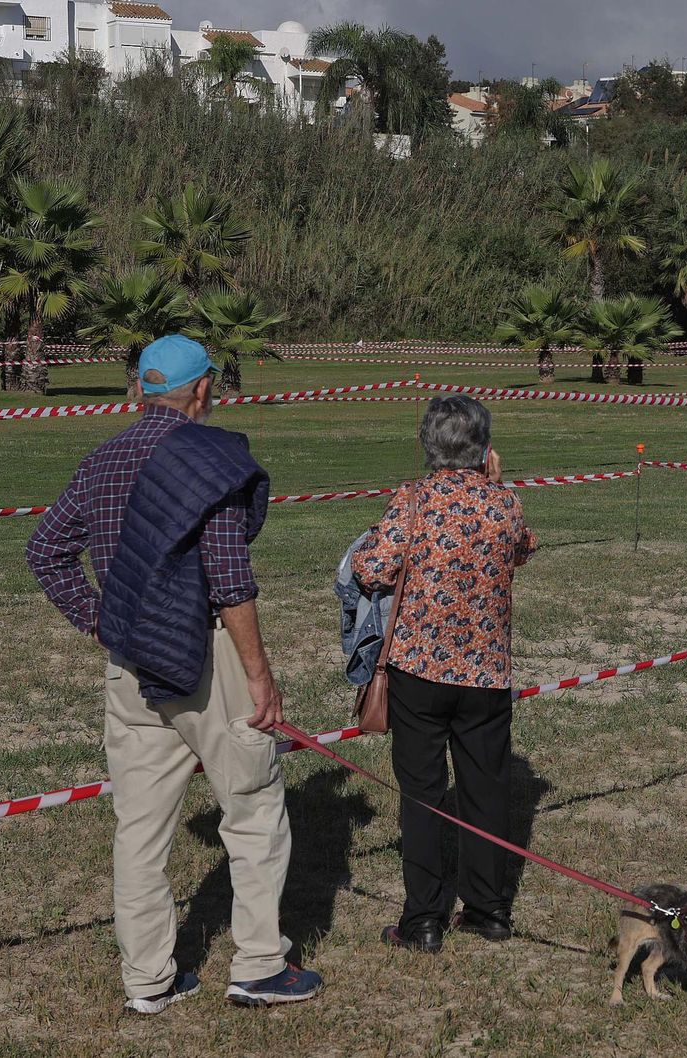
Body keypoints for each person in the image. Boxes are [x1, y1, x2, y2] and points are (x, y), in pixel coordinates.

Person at [26, 335, 320, 1014]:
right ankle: (258, 967)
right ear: (203, 390)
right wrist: (260, 677)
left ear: (140, 390)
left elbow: (45, 550)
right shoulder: (205, 461)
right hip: (206, 657)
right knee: (253, 811)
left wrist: (101, 623)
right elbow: (229, 576)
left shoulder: (101, 460)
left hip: (130, 661)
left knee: (139, 829)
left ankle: (149, 980)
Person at [352, 395, 537, 954]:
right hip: (485, 671)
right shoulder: (504, 503)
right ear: (483, 447)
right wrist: (495, 484)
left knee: (423, 792)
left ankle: (424, 919)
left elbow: (371, 568)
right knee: (486, 789)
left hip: (420, 669)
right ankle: (489, 908)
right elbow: (523, 550)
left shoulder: (413, 501)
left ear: (429, 445)